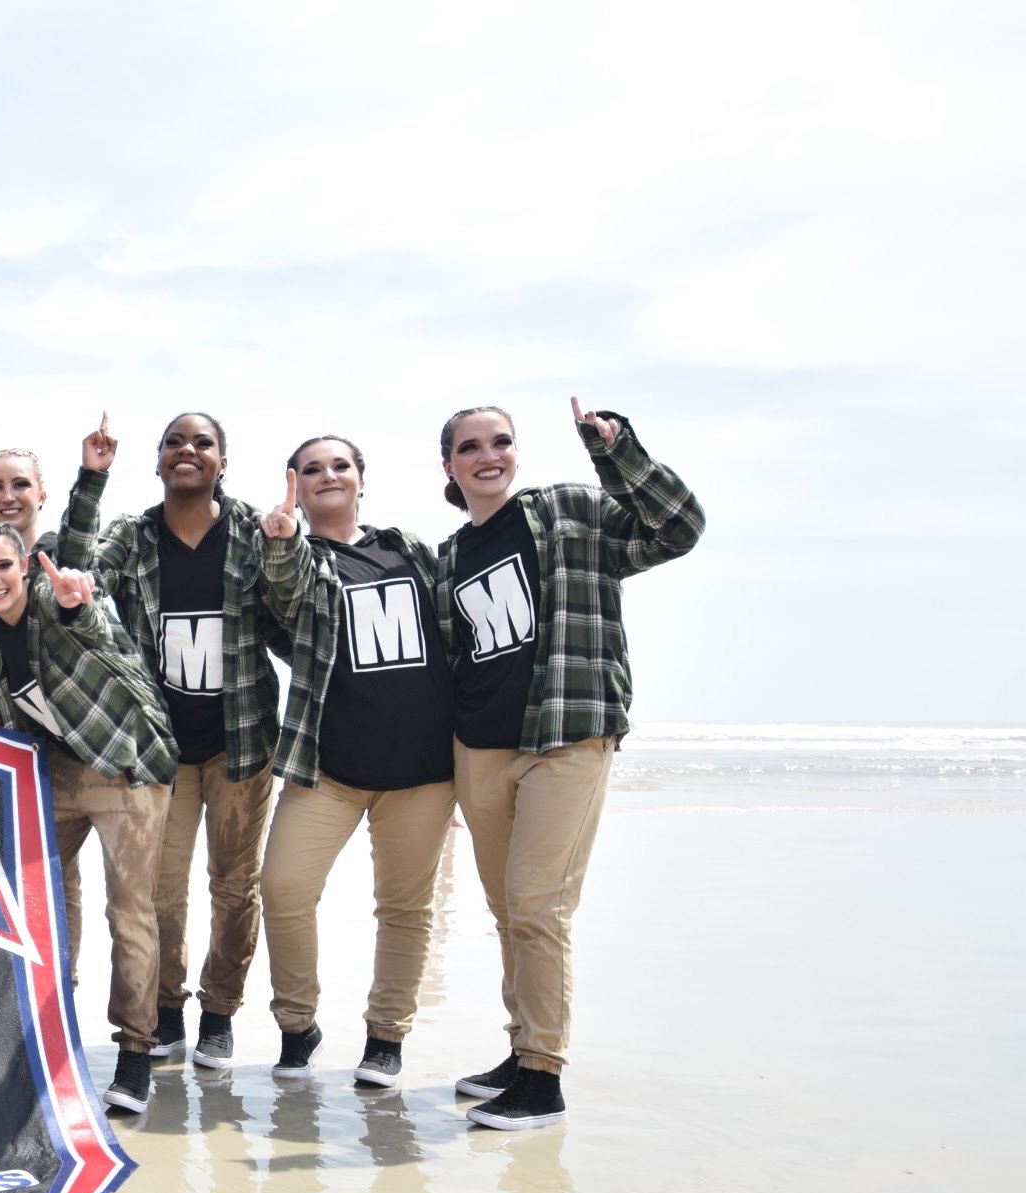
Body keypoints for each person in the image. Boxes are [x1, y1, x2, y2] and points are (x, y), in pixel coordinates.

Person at [437, 399, 704, 1129]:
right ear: (451, 467)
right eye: (470, 448)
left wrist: (617, 451)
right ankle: (520, 1049)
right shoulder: (450, 556)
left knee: (537, 907)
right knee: (507, 913)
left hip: (568, 734)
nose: (487, 455)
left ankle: (544, 1078)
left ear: (515, 453)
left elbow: (677, 530)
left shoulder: (571, 512)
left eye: (500, 442)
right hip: (482, 748)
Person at [0, 521, 178, 1115]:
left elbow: (92, 621)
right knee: (30, 907)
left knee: (129, 912)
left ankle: (134, 1055)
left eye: (2, 566)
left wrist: (82, 601)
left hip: (121, 763)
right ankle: (54, 1037)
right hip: (52, 770)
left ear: (24, 564)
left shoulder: (56, 599)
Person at [57, 412, 290, 1071]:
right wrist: (90, 480)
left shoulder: (251, 529)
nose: (187, 450)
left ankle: (219, 1013)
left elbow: (293, 607)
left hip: (242, 745)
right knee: (160, 891)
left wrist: (288, 544)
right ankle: (165, 1012)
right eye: (173, 443)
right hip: (160, 749)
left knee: (234, 887)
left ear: (222, 460)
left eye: (202, 443)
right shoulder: (134, 536)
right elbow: (78, 576)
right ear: (158, 461)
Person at [254, 437, 458, 1088]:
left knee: (404, 907)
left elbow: (457, 635)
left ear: (361, 479)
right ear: (297, 485)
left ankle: (385, 1036)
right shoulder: (296, 558)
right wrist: (282, 544)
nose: (327, 476)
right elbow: (283, 603)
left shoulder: (409, 550)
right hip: (329, 767)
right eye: (311, 469)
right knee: (284, 888)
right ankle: (297, 1024)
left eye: (340, 465)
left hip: (423, 770)